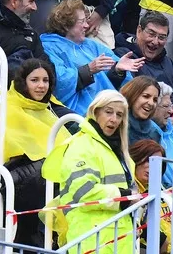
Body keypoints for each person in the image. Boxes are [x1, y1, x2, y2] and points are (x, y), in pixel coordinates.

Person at [42, 89, 135, 253]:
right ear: (95, 112)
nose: (114, 119)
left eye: (119, 115)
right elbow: (83, 192)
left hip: (117, 239)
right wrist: (125, 196)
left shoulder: (118, 152)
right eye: (108, 112)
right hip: (90, 239)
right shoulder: (81, 145)